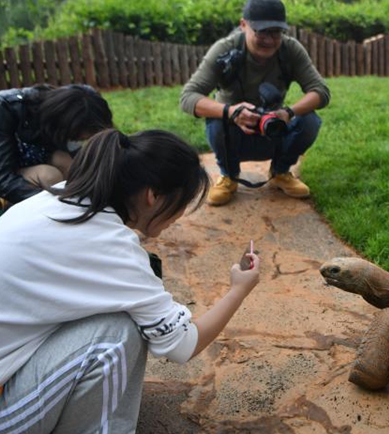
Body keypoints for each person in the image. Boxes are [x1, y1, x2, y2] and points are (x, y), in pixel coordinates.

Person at [0, 129, 261, 432]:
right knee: (118, 332)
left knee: (121, 314)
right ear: (153, 196)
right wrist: (238, 290)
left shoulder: (60, 195)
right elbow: (182, 345)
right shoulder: (110, 246)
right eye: (183, 203)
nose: (179, 216)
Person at [180, 0, 331, 206]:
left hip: (271, 129)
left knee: (309, 120)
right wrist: (231, 112)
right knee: (217, 120)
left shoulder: (290, 49)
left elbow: (321, 91)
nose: (269, 40)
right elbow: (188, 96)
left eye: (276, 32)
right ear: (243, 25)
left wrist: (287, 113)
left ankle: (280, 172)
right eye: (262, 32)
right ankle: (229, 176)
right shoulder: (225, 49)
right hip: (232, 133)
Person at [0, 84, 113, 213]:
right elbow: (4, 180)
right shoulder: (5, 108)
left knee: (70, 165)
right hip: (5, 173)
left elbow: (81, 164)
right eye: (79, 137)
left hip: (25, 158)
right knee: (49, 176)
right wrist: (56, 203)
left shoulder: (72, 104)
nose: (81, 141)